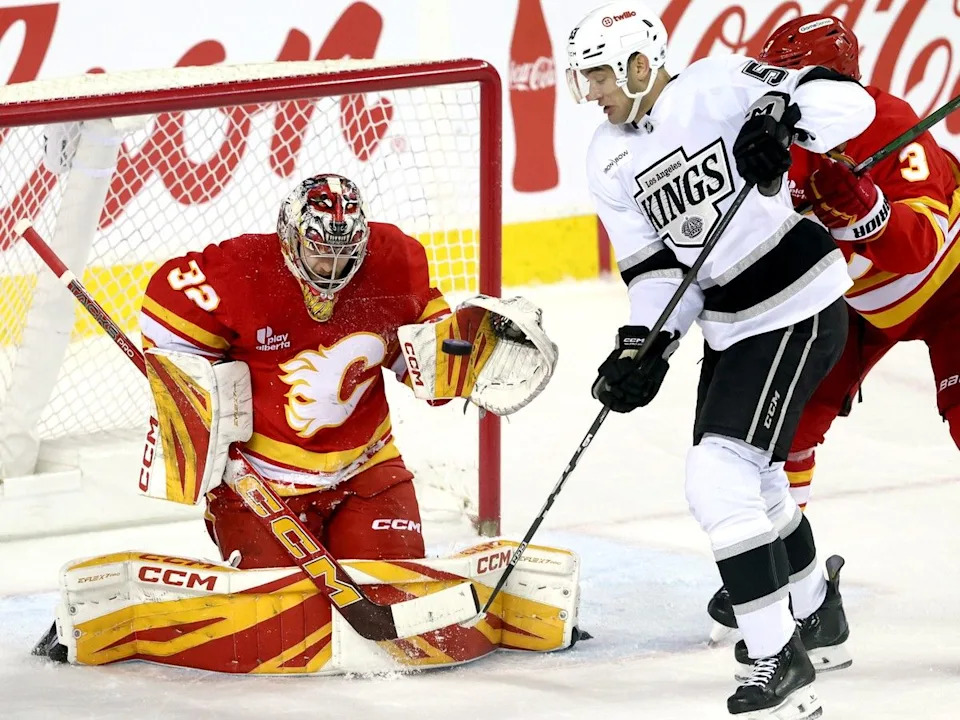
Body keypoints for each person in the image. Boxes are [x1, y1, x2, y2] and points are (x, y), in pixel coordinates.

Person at [567, 2, 876, 717]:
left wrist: (780, 121)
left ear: (638, 64)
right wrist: (644, 346)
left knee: (717, 476)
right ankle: (817, 614)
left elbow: (848, 103)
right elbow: (657, 274)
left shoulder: (717, 84)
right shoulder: (606, 157)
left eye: (599, 76)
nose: (592, 93)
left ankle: (777, 655)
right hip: (733, 325)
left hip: (796, 301)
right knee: (756, 480)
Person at [708, 15, 960, 672]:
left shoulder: (889, 122)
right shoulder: (769, 137)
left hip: (949, 287)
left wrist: (865, 206)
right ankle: (791, 581)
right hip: (853, 298)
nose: (778, 92)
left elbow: (920, 247)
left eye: (794, 79)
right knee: (786, 428)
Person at [138, 173, 553, 569]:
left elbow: (421, 361)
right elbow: (163, 315)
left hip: (367, 468)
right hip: (262, 485)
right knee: (282, 608)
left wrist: (475, 346)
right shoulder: (242, 270)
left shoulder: (392, 263)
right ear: (291, 238)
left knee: (396, 591)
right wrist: (193, 398)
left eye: (346, 252)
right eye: (320, 251)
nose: (332, 266)